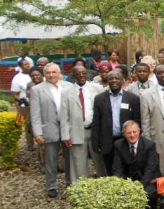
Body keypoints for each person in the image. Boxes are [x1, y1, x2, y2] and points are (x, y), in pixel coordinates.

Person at [29, 63, 73, 198]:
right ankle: (52, 186)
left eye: (54, 72)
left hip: (68, 129)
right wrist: (38, 133)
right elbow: (35, 113)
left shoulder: (69, 86)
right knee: (51, 160)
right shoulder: (37, 90)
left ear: (59, 73)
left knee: (70, 158)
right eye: (48, 72)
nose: (51, 75)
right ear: (44, 74)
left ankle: (71, 184)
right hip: (49, 129)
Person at [60, 66, 106, 182]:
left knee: (100, 161)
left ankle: (104, 185)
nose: (81, 75)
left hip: (95, 131)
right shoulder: (66, 92)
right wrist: (65, 135)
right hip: (76, 131)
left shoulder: (98, 89)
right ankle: (80, 188)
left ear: (87, 74)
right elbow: (64, 115)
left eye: (83, 73)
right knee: (78, 163)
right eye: (78, 73)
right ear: (73, 76)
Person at [91, 70, 141, 176]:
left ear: (122, 80)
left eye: (117, 78)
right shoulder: (99, 99)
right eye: (111, 78)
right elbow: (96, 122)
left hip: (126, 140)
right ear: (107, 80)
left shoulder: (133, 98)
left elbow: (137, 121)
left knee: (128, 169)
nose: (114, 81)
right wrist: (95, 142)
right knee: (110, 169)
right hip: (107, 141)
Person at [112, 120, 160, 209]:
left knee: (149, 194)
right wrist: (124, 186)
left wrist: (139, 186)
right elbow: (117, 168)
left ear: (139, 131)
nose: (132, 135)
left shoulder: (149, 145)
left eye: (134, 132)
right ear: (124, 134)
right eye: (128, 133)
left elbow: (150, 169)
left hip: (146, 179)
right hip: (128, 180)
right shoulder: (118, 145)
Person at [11, 59, 33, 150]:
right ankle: (30, 144)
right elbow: (15, 94)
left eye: (28, 64)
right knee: (28, 124)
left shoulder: (35, 74)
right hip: (26, 105)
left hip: (39, 103)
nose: (27, 65)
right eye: (24, 64)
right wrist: (19, 106)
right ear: (20, 66)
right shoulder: (17, 78)